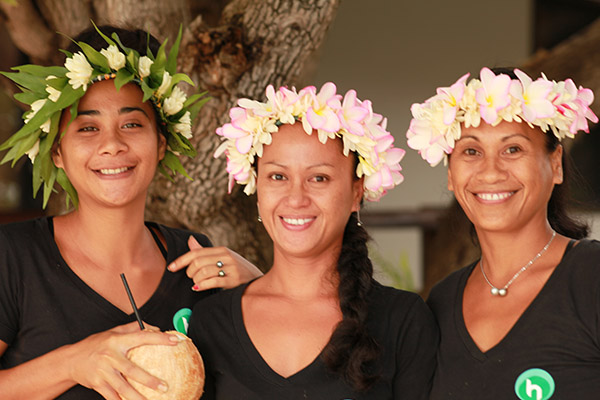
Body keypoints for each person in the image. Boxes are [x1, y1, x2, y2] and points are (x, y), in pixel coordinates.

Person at [0, 25, 261, 399]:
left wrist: (256, 289)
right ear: (57, 152)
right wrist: (73, 363)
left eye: (132, 124)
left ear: (161, 143)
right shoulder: (12, 256)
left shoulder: (196, 262)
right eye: (88, 127)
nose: (112, 145)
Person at [188, 82, 439, 399]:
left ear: (356, 192)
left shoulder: (403, 321)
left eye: (319, 178)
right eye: (278, 176)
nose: (296, 198)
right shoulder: (212, 321)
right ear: (257, 189)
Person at [406, 67, 600, 399]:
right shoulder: (441, 302)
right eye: (471, 151)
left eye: (513, 149)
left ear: (555, 165)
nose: (491, 171)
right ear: (451, 175)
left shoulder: (591, 278)